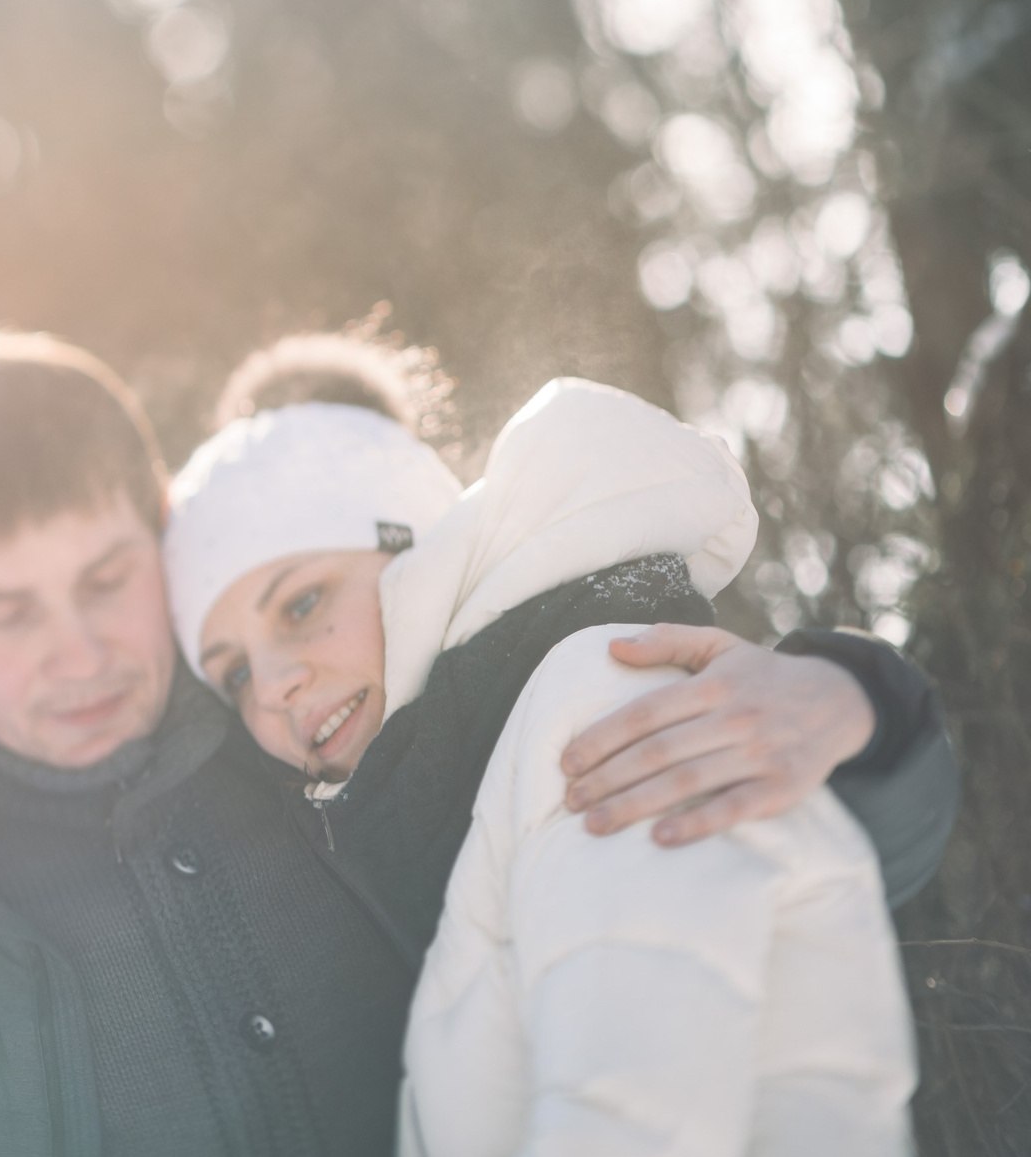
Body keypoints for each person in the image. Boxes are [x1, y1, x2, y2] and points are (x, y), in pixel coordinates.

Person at [0, 329, 957, 1157]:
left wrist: (852, 701)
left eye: (107, 576)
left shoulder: (336, 727)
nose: (82, 647)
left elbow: (714, 877)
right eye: (4, 614)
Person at [171, 341, 931, 1154]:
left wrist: (867, 696)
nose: (275, 684)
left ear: (416, 546)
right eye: (235, 672)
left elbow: (641, 1116)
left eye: (302, 602)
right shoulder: (455, 788)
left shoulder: (599, 705)